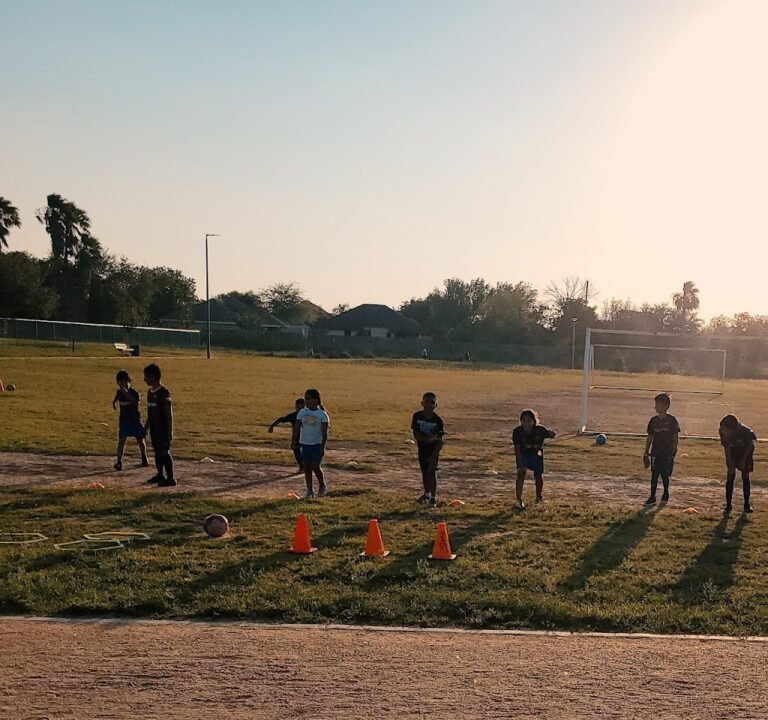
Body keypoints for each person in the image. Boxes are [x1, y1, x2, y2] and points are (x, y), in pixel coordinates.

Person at [512, 409, 556, 509]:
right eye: (524, 421)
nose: (526, 423)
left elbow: (549, 434)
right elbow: (517, 447)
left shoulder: (539, 430)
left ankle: (538, 497)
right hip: (524, 455)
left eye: (529, 421)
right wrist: (519, 462)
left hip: (537, 455)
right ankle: (519, 500)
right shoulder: (517, 432)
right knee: (521, 473)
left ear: (534, 421)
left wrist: (552, 433)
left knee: (538, 475)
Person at [643, 393, 680, 505]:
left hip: (667, 452)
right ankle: (652, 496)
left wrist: (674, 449)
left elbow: (675, 436)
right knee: (654, 474)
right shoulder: (653, 421)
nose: (655, 407)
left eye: (658, 404)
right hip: (656, 451)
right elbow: (650, 436)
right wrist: (646, 451)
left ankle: (665, 493)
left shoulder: (672, 420)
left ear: (665, 406)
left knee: (664, 474)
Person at [293, 388, 329, 498]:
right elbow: (297, 428)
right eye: (305, 399)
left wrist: (322, 446)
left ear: (316, 400)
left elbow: (324, 432)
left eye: (308, 399)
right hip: (305, 443)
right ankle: (309, 490)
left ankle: (322, 485)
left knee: (315, 465)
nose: (306, 402)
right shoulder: (302, 413)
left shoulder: (322, 415)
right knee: (307, 467)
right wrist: (294, 441)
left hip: (316, 444)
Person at [143, 363, 175, 487]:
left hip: (163, 429)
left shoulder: (164, 393)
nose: (144, 379)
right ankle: (160, 474)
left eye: (146, 377)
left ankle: (171, 477)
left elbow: (169, 413)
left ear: (153, 377)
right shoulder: (150, 393)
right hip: (154, 429)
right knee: (156, 452)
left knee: (164, 452)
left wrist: (170, 430)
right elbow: (150, 413)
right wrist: (146, 427)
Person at [411, 392, 444, 508]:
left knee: (431, 472)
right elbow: (416, 434)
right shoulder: (417, 416)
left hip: (433, 450)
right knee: (425, 472)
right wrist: (427, 439)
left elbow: (440, 440)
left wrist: (434, 457)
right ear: (422, 403)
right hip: (422, 449)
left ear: (436, 405)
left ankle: (433, 498)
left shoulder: (437, 421)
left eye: (432, 402)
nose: (429, 405)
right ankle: (427, 494)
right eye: (427, 402)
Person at [112, 370, 149, 471]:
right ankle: (119, 462)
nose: (122, 384)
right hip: (124, 421)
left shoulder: (134, 392)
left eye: (124, 382)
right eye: (120, 382)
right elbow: (116, 397)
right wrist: (114, 403)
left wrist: (126, 393)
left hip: (135, 420)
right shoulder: (119, 392)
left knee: (140, 440)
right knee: (121, 441)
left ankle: (144, 457)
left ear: (129, 381)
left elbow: (136, 402)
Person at [719, 414, 755, 514]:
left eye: (726, 430)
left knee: (745, 476)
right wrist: (730, 462)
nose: (723, 431)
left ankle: (747, 505)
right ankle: (728, 505)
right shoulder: (722, 431)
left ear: (733, 429)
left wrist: (744, 460)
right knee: (730, 476)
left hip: (745, 453)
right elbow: (726, 447)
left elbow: (750, 446)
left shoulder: (746, 432)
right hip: (733, 452)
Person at [268, 398, 306, 473]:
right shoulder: (294, 415)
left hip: (306, 437)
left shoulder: (307, 415)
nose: (300, 410)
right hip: (298, 437)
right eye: (299, 408)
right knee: (296, 451)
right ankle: (302, 466)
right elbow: (281, 419)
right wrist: (272, 426)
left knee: (302, 451)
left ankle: (305, 465)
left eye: (302, 408)